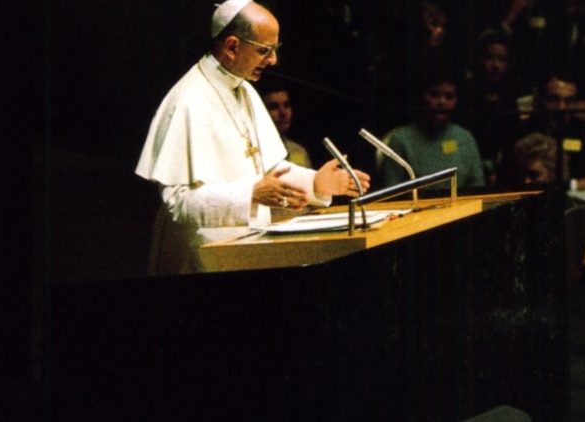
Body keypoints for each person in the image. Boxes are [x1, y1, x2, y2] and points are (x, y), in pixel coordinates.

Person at [135, 0, 370, 275]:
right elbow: (178, 201)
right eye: (264, 51)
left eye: (274, 50)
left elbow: (268, 170)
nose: (273, 61)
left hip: (244, 248)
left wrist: (315, 182)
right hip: (197, 258)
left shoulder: (244, 90)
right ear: (232, 46)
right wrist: (250, 194)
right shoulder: (188, 101)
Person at [378, 62, 485, 189]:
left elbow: (478, 189)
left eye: (449, 96)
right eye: (434, 94)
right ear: (422, 96)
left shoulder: (465, 138)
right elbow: (391, 194)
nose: (442, 102)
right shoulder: (400, 141)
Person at [519, 74, 585, 190]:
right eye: (554, 99)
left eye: (569, 101)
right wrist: (576, 184)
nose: (561, 107)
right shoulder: (521, 131)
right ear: (542, 100)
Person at [464, 28, 523, 186]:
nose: (495, 65)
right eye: (490, 58)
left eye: (502, 60)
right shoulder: (467, 93)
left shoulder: (510, 95)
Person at [258, 82, 313, 168]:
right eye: (274, 107)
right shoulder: (255, 150)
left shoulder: (297, 151)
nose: (283, 112)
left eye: (286, 105)